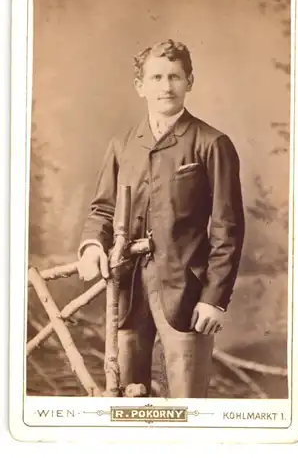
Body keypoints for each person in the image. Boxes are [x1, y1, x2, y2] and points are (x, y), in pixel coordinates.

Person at [77, 39, 245, 398]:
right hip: (127, 293)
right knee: (126, 399)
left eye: (175, 77)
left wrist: (214, 298)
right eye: (156, 78)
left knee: (187, 406)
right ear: (140, 86)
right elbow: (103, 209)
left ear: (190, 81)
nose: (166, 86)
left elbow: (227, 229)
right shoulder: (122, 144)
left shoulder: (211, 143)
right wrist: (92, 245)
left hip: (187, 293)